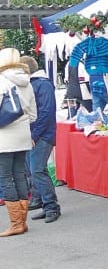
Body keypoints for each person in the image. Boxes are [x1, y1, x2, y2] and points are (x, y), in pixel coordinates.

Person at [0, 48, 37, 237]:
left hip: (4, 136)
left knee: (5, 177)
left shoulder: (1, 80)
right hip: (23, 135)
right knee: (19, 174)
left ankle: (15, 224)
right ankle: (22, 222)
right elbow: (33, 115)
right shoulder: (27, 83)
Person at [21, 56, 60, 223]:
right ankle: (44, 203)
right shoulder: (38, 83)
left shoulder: (42, 84)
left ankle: (51, 206)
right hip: (37, 133)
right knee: (34, 170)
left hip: (41, 134)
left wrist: (34, 134)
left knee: (37, 170)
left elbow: (45, 112)